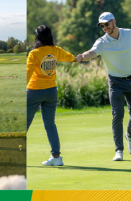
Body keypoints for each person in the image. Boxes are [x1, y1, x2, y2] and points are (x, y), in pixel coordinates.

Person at [76, 12, 131, 161]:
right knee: (118, 116)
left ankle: (130, 136)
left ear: (114, 21)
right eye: (102, 26)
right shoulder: (102, 42)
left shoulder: (128, 34)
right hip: (116, 83)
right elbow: (91, 52)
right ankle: (119, 150)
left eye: (106, 24)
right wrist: (83, 56)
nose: (105, 28)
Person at [26, 25, 80, 166]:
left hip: (34, 91)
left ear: (37, 37)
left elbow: (28, 73)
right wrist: (77, 58)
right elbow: (69, 57)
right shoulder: (56, 51)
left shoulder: (34, 53)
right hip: (51, 91)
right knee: (50, 125)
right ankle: (56, 157)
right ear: (50, 36)